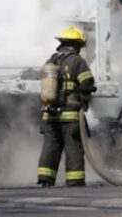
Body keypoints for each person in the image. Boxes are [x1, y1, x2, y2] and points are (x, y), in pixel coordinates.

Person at [37, 27, 96, 187]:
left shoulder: (51, 61)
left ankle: (45, 178)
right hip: (69, 116)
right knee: (73, 148)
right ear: (77, 45)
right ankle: (74, 180)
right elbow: (88, 82)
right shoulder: (77, 61)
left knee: (51, 146)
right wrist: (84, 95)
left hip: (49, 114)